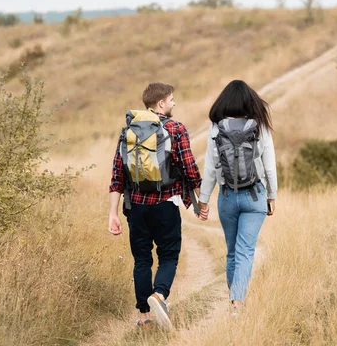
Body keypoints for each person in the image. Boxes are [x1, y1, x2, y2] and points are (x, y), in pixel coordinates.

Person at [108, 82, 202, 330]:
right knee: (168, 256)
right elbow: (189, 169)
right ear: (161, 103)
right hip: (165, 205)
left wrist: (112, 213)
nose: (174, 103)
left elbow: (118, 176)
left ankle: (144, 318)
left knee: (141, 261)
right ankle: (159, 296)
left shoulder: (127, 131)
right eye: (172, 99)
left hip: (136, 208)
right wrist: (197, 199)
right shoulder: (175, 128)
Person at [197, 79, 277, 316]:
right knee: (245, 251)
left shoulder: (216, 128)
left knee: (232, 251)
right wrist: (272, 195)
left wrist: (203, 199)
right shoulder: (259, 126)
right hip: (255, 196)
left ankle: (235, 301)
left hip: (226, 197)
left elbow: (210, 168)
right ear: (250, 101)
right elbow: (269, 166)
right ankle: (237, 303)